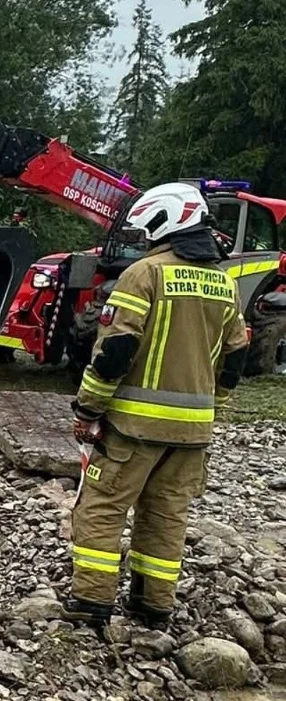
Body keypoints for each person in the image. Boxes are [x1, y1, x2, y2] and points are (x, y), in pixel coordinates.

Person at [64, 182, 250, 630]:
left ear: (164, 222)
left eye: (147, 228)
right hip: (193, 434)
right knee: (166, 516)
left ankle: (91, 603)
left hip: (133, 428)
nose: (144, 237)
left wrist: (88, 408)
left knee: (102, 508)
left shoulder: (145, 274)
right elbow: (236, 357)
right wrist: (213, 407)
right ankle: (152, 605)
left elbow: (116, 350)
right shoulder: (224, 284)